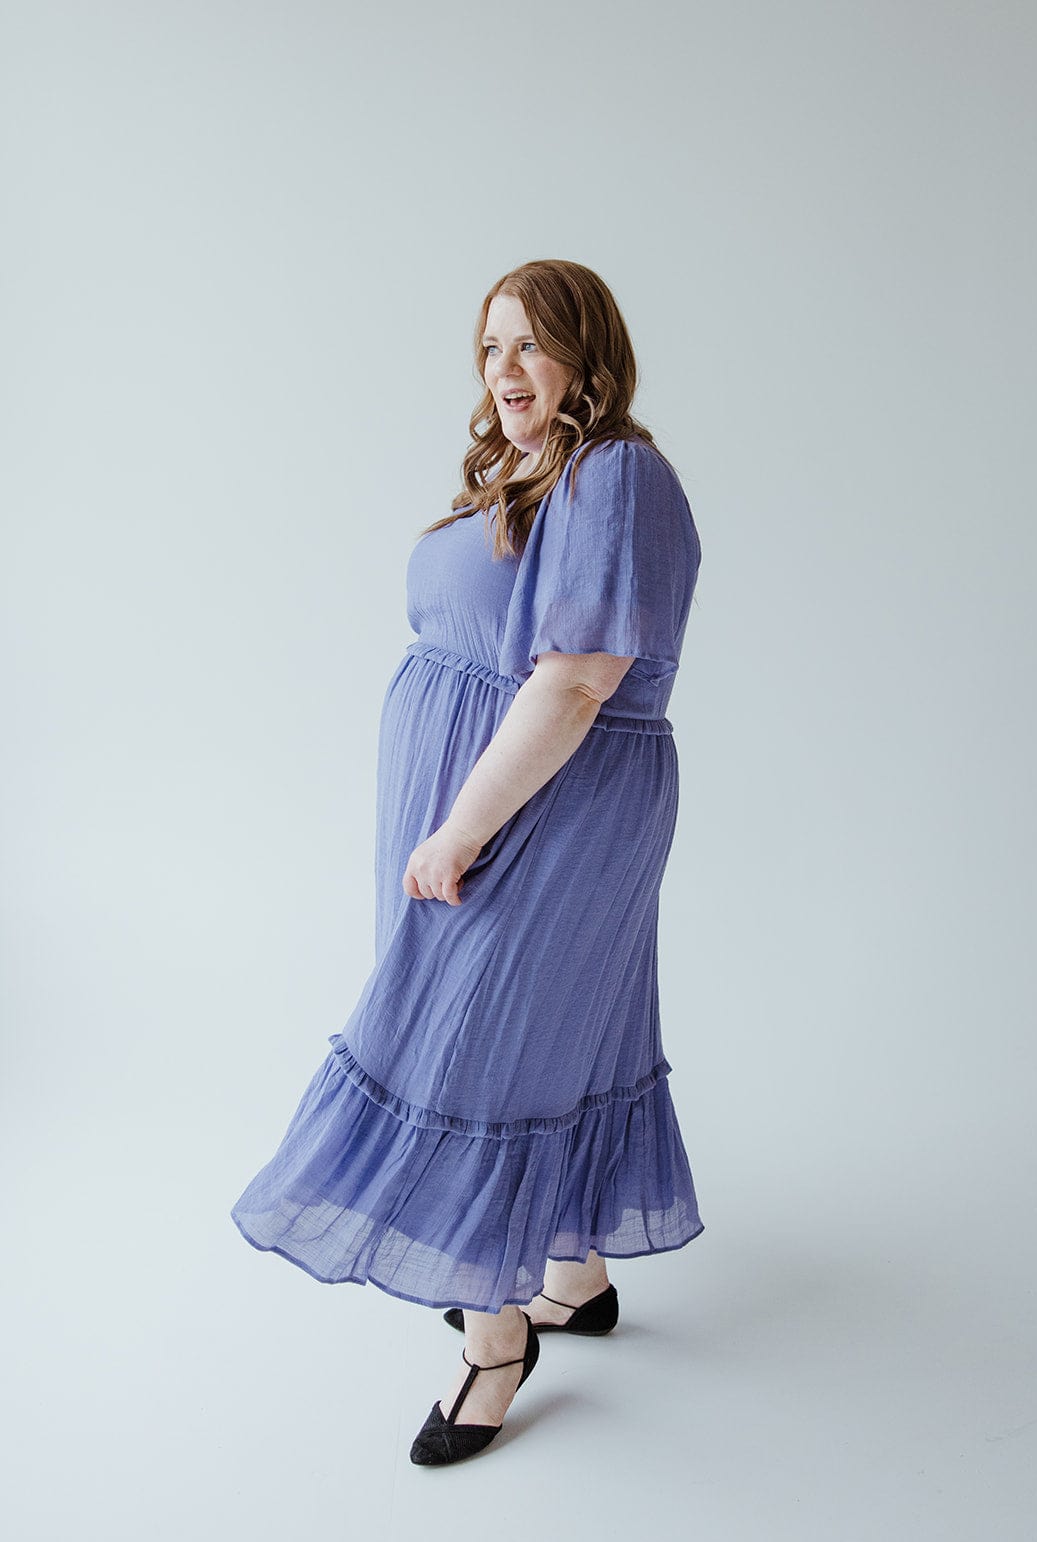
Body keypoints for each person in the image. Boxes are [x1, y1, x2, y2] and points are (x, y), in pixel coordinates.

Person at [230, 258, 706, 1467]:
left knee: (466, 1055)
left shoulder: (616, 474)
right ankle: (576, 1274)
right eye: (489, 347)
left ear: (588, 357)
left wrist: (458, 830)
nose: (503, 370)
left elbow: (576, 680)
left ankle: (498, 1344)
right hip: (494, 801)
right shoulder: (532, 474)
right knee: (561, 1040)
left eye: (531, 345)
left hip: (543, 806)